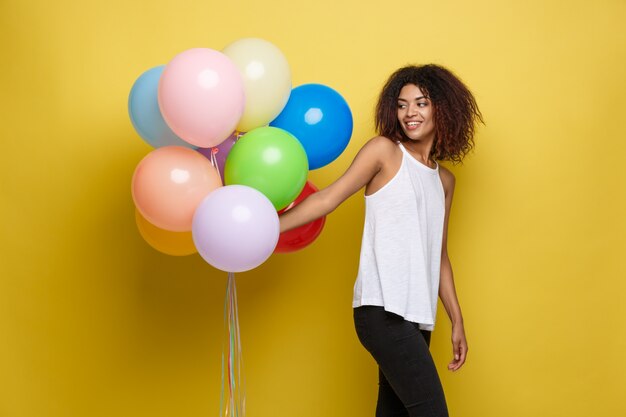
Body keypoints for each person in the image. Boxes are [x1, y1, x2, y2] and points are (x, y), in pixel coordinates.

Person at [279, 64, 483, 417]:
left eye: (421, 103)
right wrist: (268, 227)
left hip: (418, 316)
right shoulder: (385, 153)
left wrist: (457, 320)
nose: (410, 113)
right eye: (402, 105)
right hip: (382, 310)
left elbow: (439, 255)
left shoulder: (444, 181)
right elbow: (328, 198)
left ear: (443, 109)